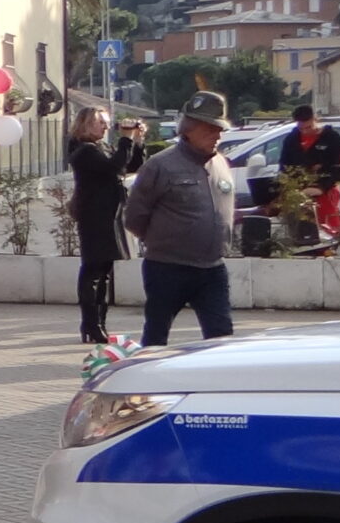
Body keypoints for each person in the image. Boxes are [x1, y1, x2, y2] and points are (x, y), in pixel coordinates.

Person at [123, 90, 238, 347]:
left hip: (212, 268)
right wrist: (163, 241)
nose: (217, 135)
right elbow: (135, 217)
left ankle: (217, 386)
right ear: (189, 129)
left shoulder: (221, 163)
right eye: (210, 129)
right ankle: (149, 383)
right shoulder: (160, 166)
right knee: (156, 335)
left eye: (219, 130)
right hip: (168, 268)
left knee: (221, 336)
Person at [65, 107, 146, 344]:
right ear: (86, 124)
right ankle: (91, 324)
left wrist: (137, 142)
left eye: (108, 123)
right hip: (94, 216)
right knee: (93, 271)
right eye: (101, 122)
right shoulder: (83, 151)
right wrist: (125, 139)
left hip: (109, 215)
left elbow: (130, 165)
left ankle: (98, 322)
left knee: (105, 273)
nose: (106, 127)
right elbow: (113, 168)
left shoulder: (101, 147)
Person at [280, 104, 340, 247]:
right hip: (299, 192)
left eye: (309, 127)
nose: (305, 131)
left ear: (315, 120)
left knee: (329, 227)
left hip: (325, 191)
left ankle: (331, 248)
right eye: (301, 128)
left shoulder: (332, 138)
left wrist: (322, 187)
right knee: (300, 227)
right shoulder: (291, 140)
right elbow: (284, 167)